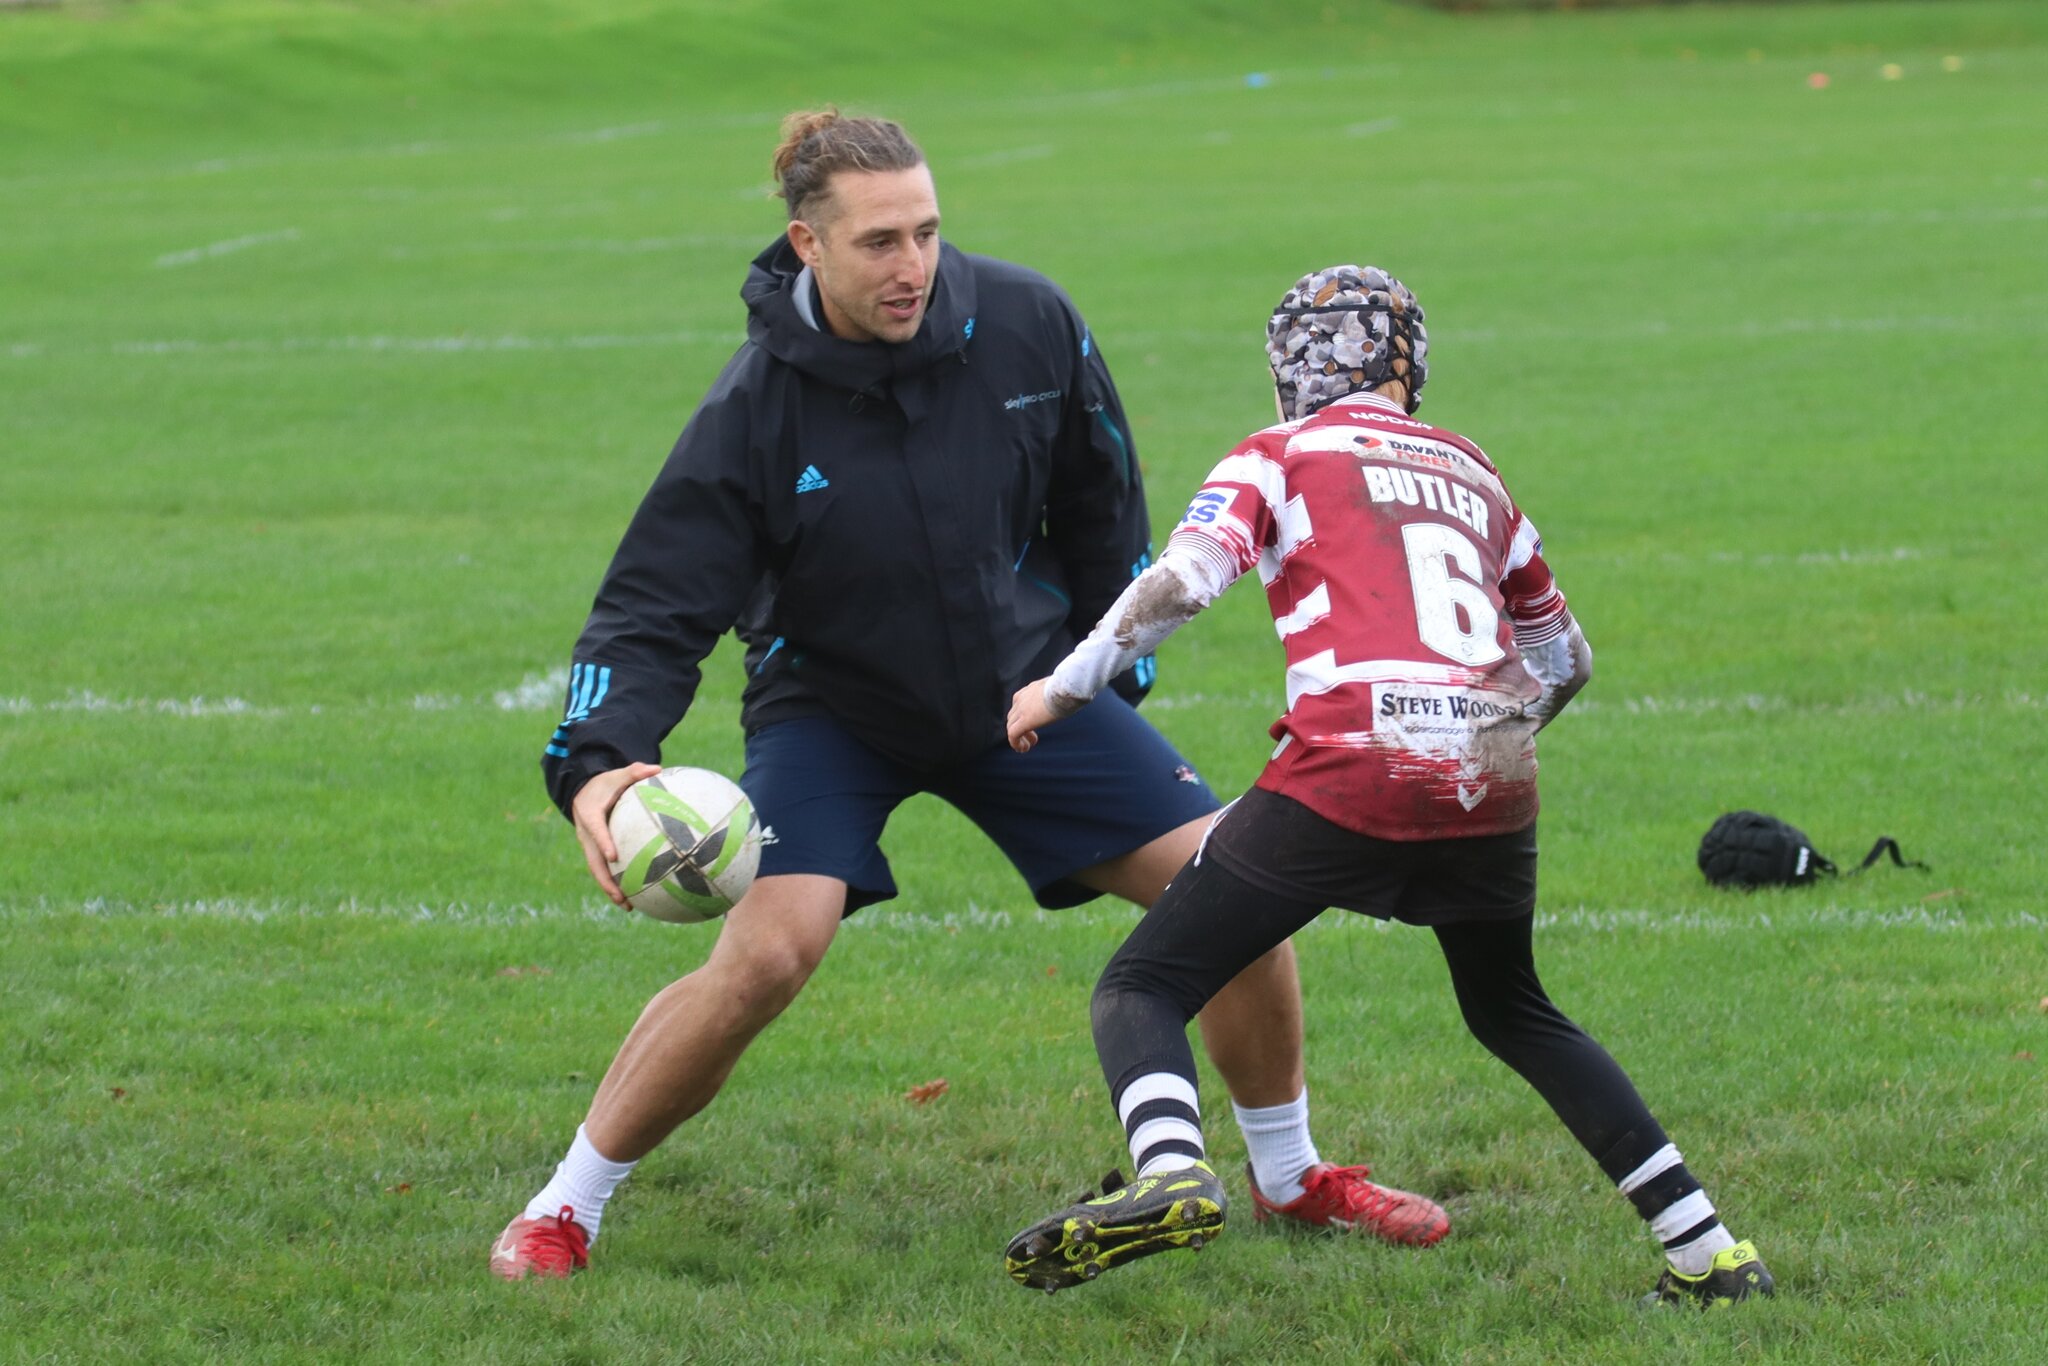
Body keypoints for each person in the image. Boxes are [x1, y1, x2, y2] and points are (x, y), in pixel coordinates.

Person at [489, 114, 1448, 1281]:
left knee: (1233, 887)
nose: (912, 266)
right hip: (831, 713)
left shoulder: (1028, 323)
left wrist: (1111, 665)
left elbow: (1101, 495)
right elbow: (653, 598)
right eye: (879, 241)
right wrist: (597, 764)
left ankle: (1291, 1176)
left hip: (1022, 692)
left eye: (927, 232)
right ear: (806, 245)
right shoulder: (753, 408)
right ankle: (564, 1208)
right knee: (767, 954)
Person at [1000, 265, 1775, 1308]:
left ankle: (1173, 1173)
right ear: (1406, 364)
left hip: (1352, 758)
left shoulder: (1277, 453)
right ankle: (1709, 1252)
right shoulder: (1472, 468)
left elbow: (1181, 581)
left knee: (1142, 986)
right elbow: (1566, 660)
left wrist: (1061, 686)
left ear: (1287, 370)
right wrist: (1479, 736)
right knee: (1515, 1011)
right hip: (1494, 770)